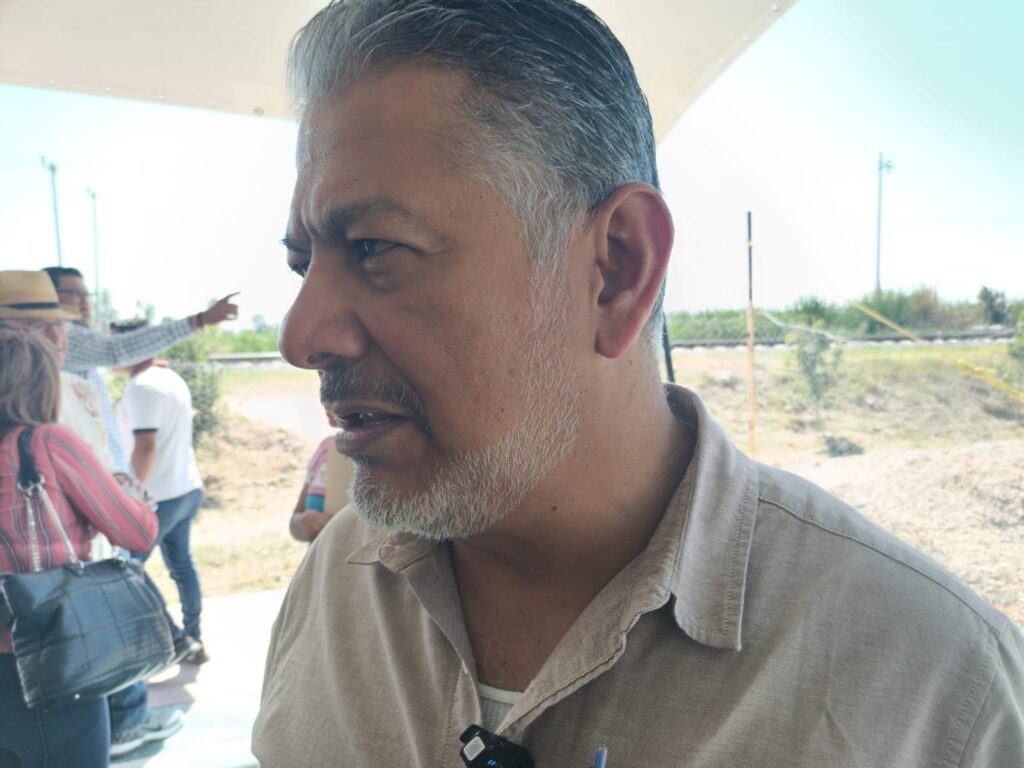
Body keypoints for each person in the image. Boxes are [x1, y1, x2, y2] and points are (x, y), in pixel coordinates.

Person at [252, 2, 1024, 766]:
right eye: (301, 264)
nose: (300, 337)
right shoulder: (335, 584)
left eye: (373, 248)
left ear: (618, 270)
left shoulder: (939, 695)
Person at [0, 271, 186, 760]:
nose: (58, 338)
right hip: (47, 653)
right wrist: (130, 491)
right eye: (42, 330)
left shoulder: (70, 408)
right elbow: (137, 531)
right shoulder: (46, 442)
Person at [41, 266, 239, 472]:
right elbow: (116, 350)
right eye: (73, 293)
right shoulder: (63, 336)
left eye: (86, 295)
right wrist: (198, 321)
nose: (84, 303)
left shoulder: (143, 383)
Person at [114, 321, 208, 667]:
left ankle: (176, 639)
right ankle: (193, 638)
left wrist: (132, 495)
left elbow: (146, 445)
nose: (113, 354)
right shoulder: (170, 378)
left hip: (158, 496)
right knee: (181, 565)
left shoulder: (142, 386)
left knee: (127, 566)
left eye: (117, 346)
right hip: (186, 487)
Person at [288, 412, 340, 543]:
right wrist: (305, 522)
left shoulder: (379, 453)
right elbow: (294, 522)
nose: (325, 404)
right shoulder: (326, 448)